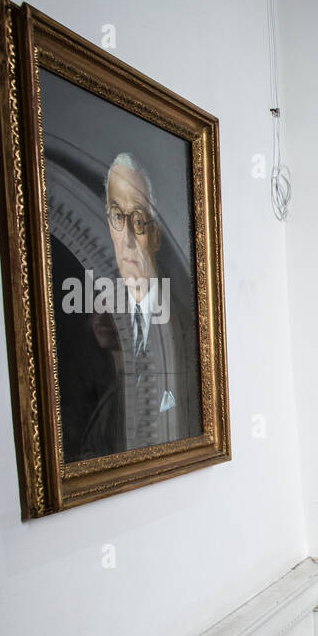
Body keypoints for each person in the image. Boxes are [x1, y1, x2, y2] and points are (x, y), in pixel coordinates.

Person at [97, 152, 201, 454]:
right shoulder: (107, 323)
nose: (127, 237)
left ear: (155, 234)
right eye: (118, 216)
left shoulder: (183, 324)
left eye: (139, 220)